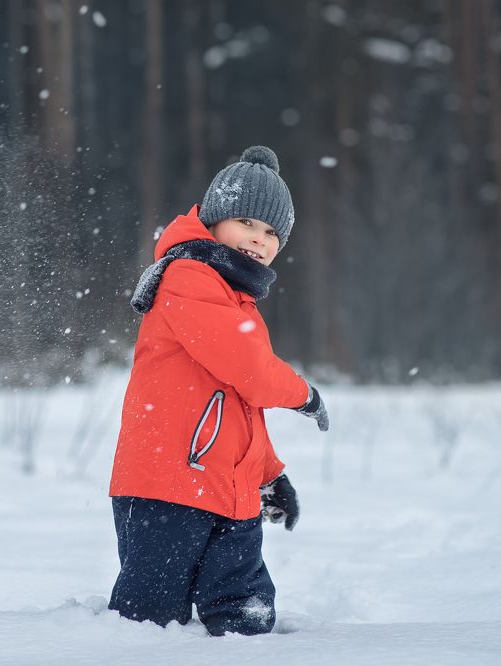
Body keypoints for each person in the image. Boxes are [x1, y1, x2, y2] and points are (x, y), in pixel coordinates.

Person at [108, 145, 330, 636]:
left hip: (228, 493)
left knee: (245, 616)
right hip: (168, 488)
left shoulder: (236, 297)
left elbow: (240, 404)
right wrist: (303, 394)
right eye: (248, 223)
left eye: (273, 232)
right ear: (214, 220)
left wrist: (267, 475)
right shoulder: (189, 277)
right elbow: (250, 369)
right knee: (146, 623)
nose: (260, 240)